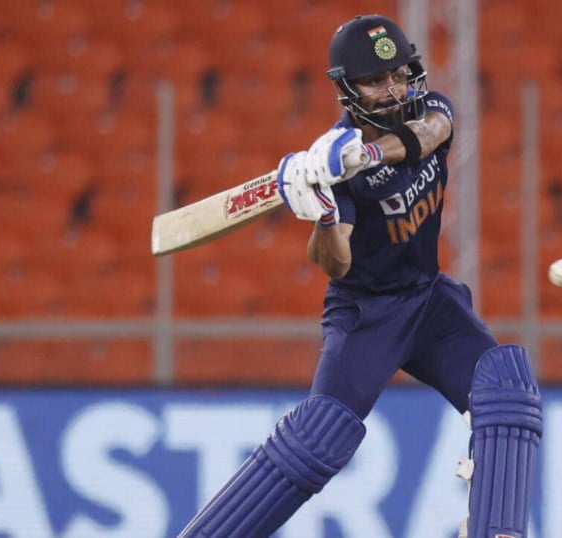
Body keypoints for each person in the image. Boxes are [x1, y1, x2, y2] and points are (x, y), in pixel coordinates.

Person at [177, 14, 542, 538]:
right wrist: (325, 213)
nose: (393, 89)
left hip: (429, 301)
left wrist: (364, 154)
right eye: (375, 80)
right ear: (348, 90)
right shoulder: (332, 170)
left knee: (507, 391)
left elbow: (428, 135)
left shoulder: (431, 110)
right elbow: (335, 263)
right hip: (367, 314)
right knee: (317, 440)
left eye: (399, 73)